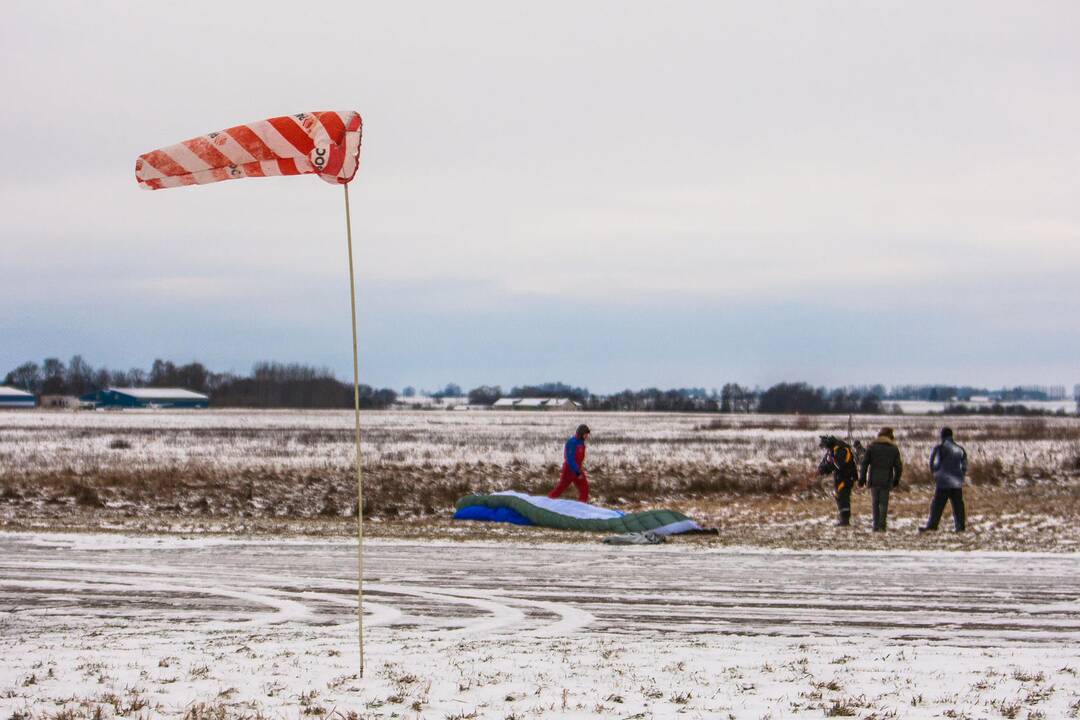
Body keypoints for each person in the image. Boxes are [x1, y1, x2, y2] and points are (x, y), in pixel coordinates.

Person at [919, 427, 968, 532]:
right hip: (956, 483)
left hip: (943, 483)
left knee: (937, 506)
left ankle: (932, 526)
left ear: (942, 436)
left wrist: (936, 475)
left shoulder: (939, 448)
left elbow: (934, 464)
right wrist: (960, 476)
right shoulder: (960, 449)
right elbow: (964, 465)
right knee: (958, 506)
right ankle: (960, 527)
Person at [859, 427, 903, 532]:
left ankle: (875, 525)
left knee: (875, 502)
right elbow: (898, 467)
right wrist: (896, 479)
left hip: (874, 478)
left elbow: (864, 463)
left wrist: (862, 478)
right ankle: (882, 525)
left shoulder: (872, 447)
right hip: (886, 479)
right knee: (883, 503)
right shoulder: (893, 448)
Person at [817, 435, 858, 526]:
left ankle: (845, 520)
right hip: (840, 476)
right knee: (840, 497)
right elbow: (827, 461)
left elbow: (838, 464)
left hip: (847, 476)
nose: (825, 448)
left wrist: (825, 468)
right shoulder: (832, 450)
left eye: (825, 446)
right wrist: (821, 468)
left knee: (843, 497)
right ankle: (843, 518)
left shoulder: (841, 450)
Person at [549, 424, 590, 502]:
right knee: (561, 488)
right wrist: (577, 472)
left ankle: (581, 507)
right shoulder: (572, 442)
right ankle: (547, 502)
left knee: (585, 488)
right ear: (581, 433)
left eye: (587, 434)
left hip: (578, 469)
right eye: (585, 434)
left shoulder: (581, 443)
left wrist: (579, 470)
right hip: (569, 470)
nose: (587, 436)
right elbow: (570, 459)